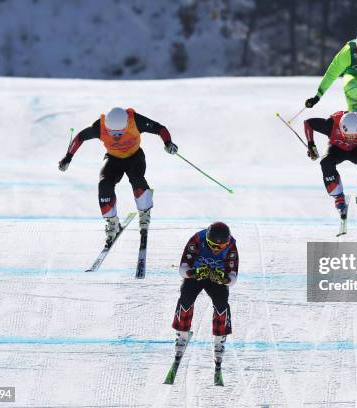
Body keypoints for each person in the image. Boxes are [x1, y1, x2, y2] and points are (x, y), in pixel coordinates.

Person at [57, 107, 178, 244]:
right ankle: (112, 221)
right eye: (112, 133)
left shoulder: (135, 120)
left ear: (126, 124)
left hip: (134, 157)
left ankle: (144, 212)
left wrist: (168, 143)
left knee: (137, 179)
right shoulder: (100, 127)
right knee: (104, 184)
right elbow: (80, 137)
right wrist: (68, 158)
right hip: (113, 158)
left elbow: (160, 129)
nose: (116, 136)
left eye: (120, 133)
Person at [170, 222, 238, 372]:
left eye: (220, 247)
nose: (216, 250)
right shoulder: (197, 240)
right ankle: (182, 334)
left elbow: (233, 277)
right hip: (197, 274)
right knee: (186, 298)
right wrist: (193, 273)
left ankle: (219, 340)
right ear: (206, 240)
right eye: (213, 246)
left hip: (216, 277)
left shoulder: (231, 246)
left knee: (221, 303)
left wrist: (223, 279)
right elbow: (182, 268)